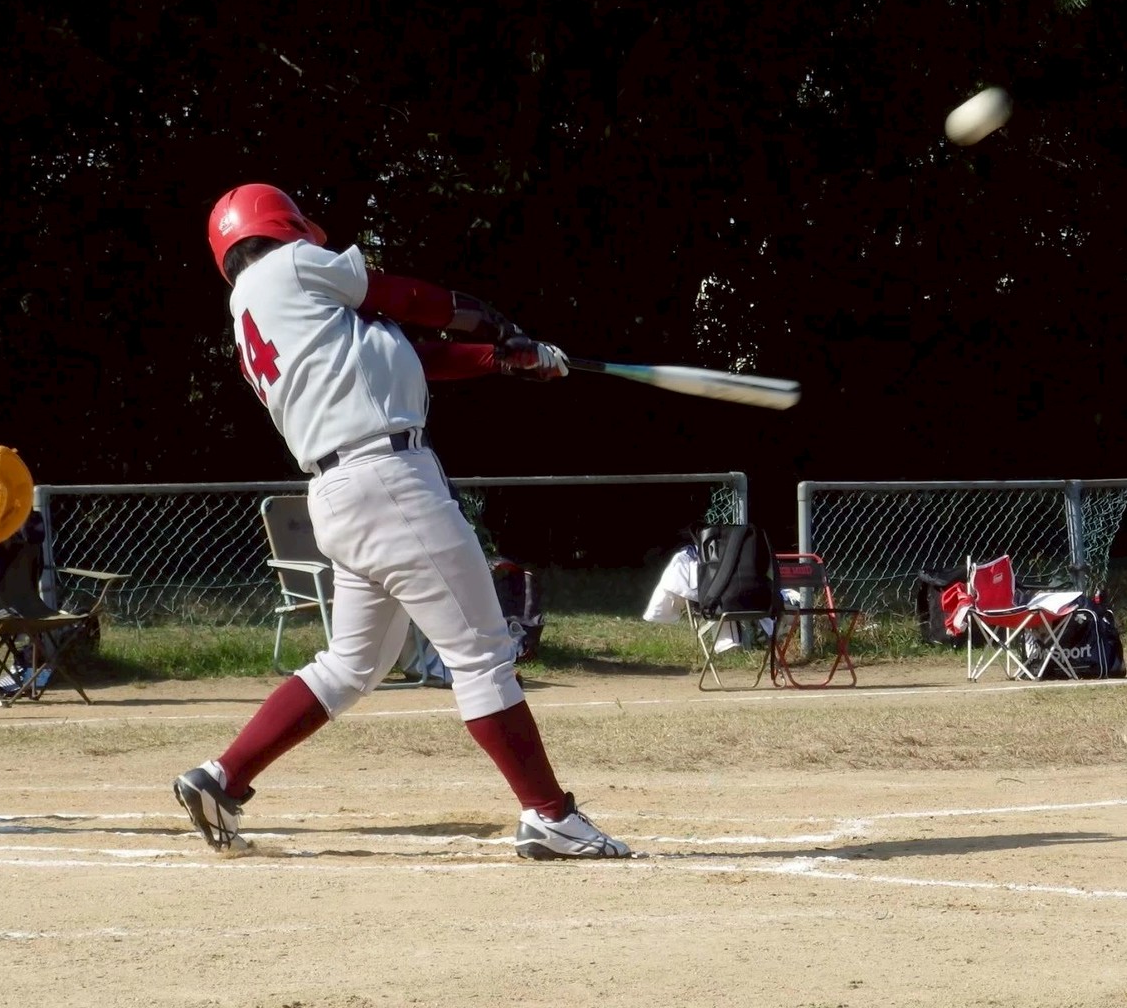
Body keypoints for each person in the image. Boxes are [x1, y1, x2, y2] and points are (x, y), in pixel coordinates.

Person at [173, 183, 629, 860]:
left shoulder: (270, 312)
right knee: (481, 653)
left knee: (350, 666)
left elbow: (405, 357)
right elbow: (408, 299)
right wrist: (490, 319)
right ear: (284, 225)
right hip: (388, 482)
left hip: (342, 493)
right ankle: (549, 814)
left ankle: (223, 777)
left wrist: (504, 357)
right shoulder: (291, 267)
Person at [641, 539, 772, 652]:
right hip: (759, 605)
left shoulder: (691, 559)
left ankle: (731, 640)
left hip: (723, 605)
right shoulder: (753, 554)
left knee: (718, 601)